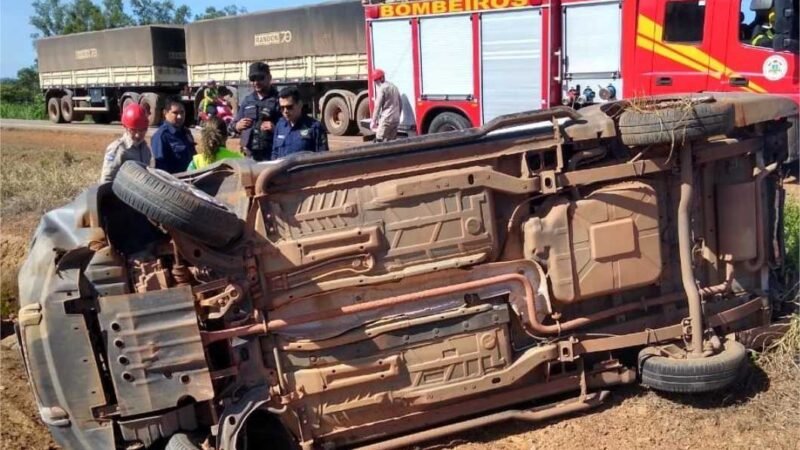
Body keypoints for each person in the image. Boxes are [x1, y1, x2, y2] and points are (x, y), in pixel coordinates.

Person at [230, 62, 280, 161]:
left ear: (269, 78)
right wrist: (237, 126)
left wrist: (275, 128)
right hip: (249, 155)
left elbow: (289, 126)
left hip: (271, 155)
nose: (256, 82)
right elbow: (232, 126)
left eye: (260, 78)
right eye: (253, 79)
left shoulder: (279, 99)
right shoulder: (247, 100)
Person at [272, 86, 329, 160]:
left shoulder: (314, 127)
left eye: (289, 107)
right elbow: (275, 153)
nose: (285, 111)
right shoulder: (280, 125)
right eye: (282, 108)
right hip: (283, 170)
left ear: (300, 104)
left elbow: (323, 157)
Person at [100, 103, 152, 182]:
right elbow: (107, 180)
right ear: (125, 127)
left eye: (142, 130)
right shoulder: (117, 149)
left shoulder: (145, 149)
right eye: (133, 130)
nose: (138, 135)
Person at [151, 97, 196, 173]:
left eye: (182, 112)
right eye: (175, 113)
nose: (180, 116)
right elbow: (160, 170)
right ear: (165, 113)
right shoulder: (161, 136)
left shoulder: (186, 132)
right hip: (174, 182)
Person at [369, 68, 401, 142]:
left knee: (379, 139)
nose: (375, 83)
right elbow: (400, 103)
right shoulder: (394, 87)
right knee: (391, 142)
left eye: (375, 80)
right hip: (396, 119)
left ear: (380, 79)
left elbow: (377, 106)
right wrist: (398, 115)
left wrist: (373, 121)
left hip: (386, 119)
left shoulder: (382, 88)